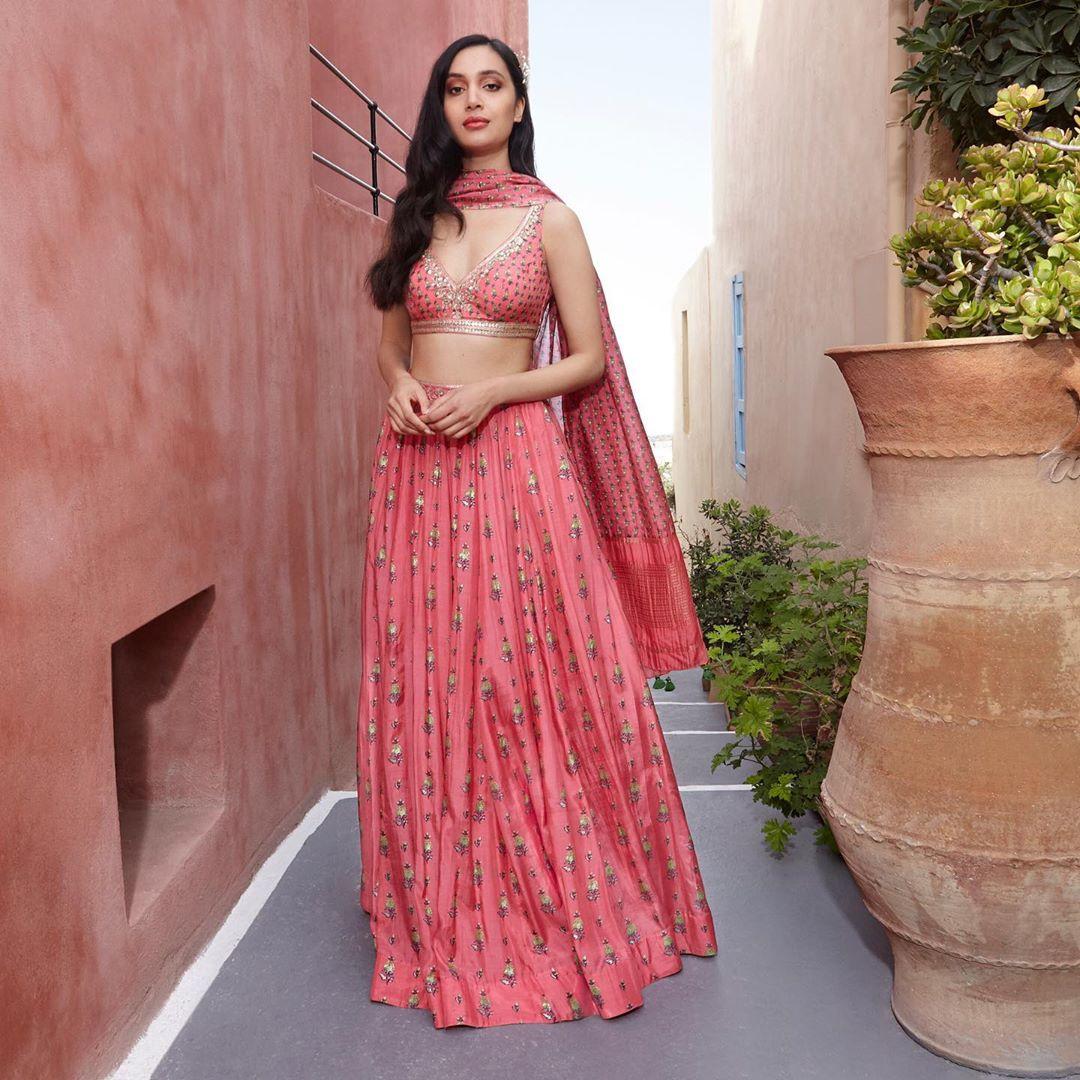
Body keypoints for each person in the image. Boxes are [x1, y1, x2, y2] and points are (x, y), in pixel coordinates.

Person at [357, 32, 717, 1028]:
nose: (474, 102)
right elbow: (390, 347)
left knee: (527, 674)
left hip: (516, 466)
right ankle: (445, 880)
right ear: (443, 109)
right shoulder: (416, 218)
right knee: (431, 672)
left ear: (518, 107)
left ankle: (558, 880)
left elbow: (591, 360)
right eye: (456, 88)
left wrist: (500, 396)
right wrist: (399, 392)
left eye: (492, 86)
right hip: (421, 472)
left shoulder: (553, 219)